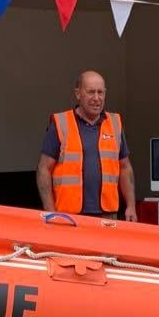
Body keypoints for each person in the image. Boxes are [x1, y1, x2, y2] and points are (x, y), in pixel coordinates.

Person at [37, 70, 138, 221]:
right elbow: (43, 169)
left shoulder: (115, 123)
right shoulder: (60, 123)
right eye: (91, 92)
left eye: (100, 92)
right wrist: (50, 211)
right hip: (68, 216)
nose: (96, 98)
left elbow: (125, 167)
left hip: (108, 215)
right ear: (78, 94)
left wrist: (131, 205)